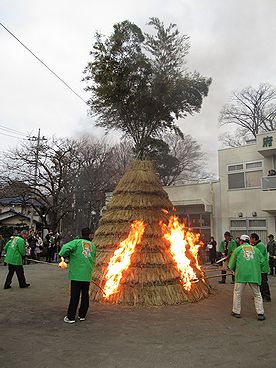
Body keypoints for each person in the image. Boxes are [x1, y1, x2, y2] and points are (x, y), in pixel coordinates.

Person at [59, 228, 96, 323]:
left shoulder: (76, 242)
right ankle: (82, 315)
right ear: (90, 235)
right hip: (87, 274)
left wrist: (66, 256)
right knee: (85, 295)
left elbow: (64, 249)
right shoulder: (93, 246)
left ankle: (71, 317)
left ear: (81, 234)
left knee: (75, 296)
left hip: (76, 274)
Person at [228, 234, 266, 321]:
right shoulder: (256, 250)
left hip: (241, 275)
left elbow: (231, 263)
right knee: (257, 294)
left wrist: (232, 269)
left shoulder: (238, 249)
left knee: (237, 293)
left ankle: (236, 312)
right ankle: (260, 313)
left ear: (241, 241)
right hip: (254, 275)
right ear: (248, 241)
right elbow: (263, 262)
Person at [250, 233, 271, 302]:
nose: (250, 240)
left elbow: (258, 256)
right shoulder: (257, 245)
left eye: (251, 238)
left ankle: (267, 297)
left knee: (263, 282)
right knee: (260, 282)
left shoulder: (260, 245)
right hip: (260, 267)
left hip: (263, 267)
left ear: (254, 239)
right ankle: (261, 296)